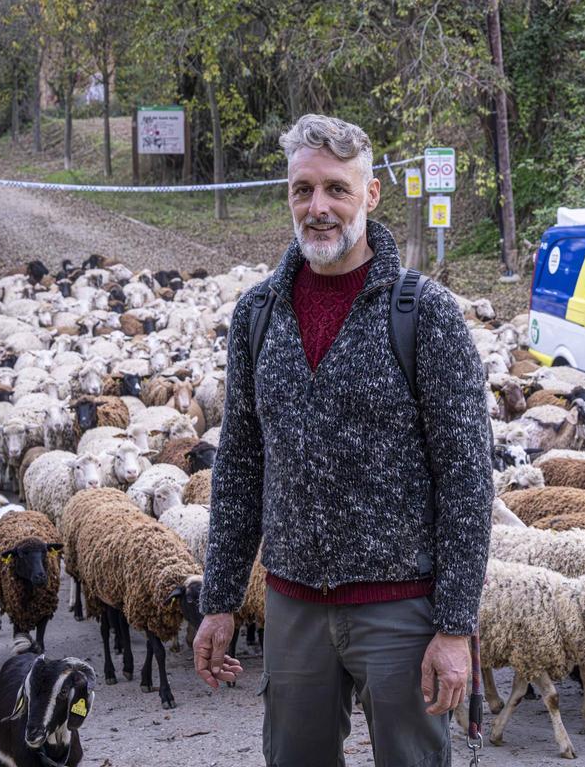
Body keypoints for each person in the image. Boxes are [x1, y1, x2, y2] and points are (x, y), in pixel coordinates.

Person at [193, 113, 494, 767]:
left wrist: (454, 626)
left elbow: (468, 479)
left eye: (336, 188)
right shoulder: (257, 314)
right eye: (304, 190)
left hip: (403, 613)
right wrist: (218, 601)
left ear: (371, 194)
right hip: (294, 606)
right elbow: (241, 465)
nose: (319, 207)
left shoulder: (423, 313)